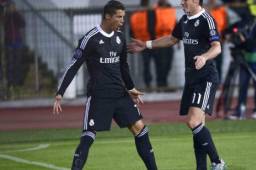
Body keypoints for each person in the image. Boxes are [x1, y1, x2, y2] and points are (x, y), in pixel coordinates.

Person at [53, 1, 157, 170]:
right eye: (119, 17)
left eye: (123, 17)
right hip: (99, 96)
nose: (122, 20)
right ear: (108, 16)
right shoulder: (90, 39)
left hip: (120, 94)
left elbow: (123, 66)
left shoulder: (120, 37)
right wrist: (60, 92)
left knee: (141, 129)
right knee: (88, 136)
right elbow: (74, 65)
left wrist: (131, 88)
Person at [128, 0, 226, 169]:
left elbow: (217, 47)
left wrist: (204, 57)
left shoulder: (207, 20)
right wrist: (147, 44)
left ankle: (217, 162)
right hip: (191, 78)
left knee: (193, 122)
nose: (181, 2)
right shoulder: (184, 20)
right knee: (199, 127)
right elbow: (172, 39)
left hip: (205, 77)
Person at [130, 0, 176, 91]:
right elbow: (152, 25)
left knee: (159, 65)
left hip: (158, 41)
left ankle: (158, 85)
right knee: (156, 65)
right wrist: (152, 42)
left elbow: (174, 23)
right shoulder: (152, 11)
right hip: (154, 42)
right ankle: (157, 85)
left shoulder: (170, 10)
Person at [228, 15, 256, 120]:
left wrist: (244, 40)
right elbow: (231, 31)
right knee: (242, 86)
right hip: (246, 60)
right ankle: (240, 111)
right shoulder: (242, 24)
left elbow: (255, 45)